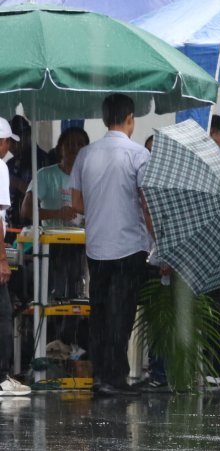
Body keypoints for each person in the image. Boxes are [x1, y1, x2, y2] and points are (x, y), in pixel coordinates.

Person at [69, 94, 153, 397]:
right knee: (122, 312)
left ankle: (100, 375)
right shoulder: (138, 155)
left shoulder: (85, 154)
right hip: (130, 245)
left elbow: (77, 202)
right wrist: (156, 239)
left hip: (96, 246)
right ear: (130, 118)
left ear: (105, 119)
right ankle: (114, 379)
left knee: (101, 312)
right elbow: (146, 203)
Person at [21, 128, 90, 301]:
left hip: (83, 248)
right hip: (52, 247)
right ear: (60, 149)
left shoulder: (91, 177)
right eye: (69, 144)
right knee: (52, 297)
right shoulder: (45, 175)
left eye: (80, 144)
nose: (75, 148)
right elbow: (26, 210)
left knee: (77, 299)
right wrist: (57, 213)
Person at [0, 117, 31, 396]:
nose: (9, 147)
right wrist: (1, 259)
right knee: (4, 314)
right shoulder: (0, 167)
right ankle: (1, 377)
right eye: (7, 141)